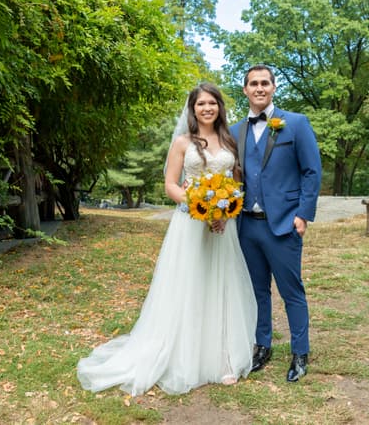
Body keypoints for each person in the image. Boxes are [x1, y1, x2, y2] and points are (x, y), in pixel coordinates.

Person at [77, 83, 257, 396]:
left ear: (219, 107)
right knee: (189, 285)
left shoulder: (229, 140)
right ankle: (183, 358)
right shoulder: (182, 142)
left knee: (220, 284)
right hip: (189, 224)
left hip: (220, 228)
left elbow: (235, 182)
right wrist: (197, 205)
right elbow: (171, 185)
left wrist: (224, 214)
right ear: (193, 108)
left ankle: (222, 358)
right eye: (201, 103)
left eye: (212, 103)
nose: (207, 108)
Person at [231, 64, 322, 382]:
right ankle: (262, 346)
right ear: (245, 90)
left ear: (273, 87)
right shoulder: (234, 131)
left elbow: (312, 171)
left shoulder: (295, 124)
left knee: (291, 291)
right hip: (246, 226)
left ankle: (300, 353)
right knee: (257, 291)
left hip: (284, 224)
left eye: (264, 83)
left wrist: (303, 214)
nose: (259, 88)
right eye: (253, 83)